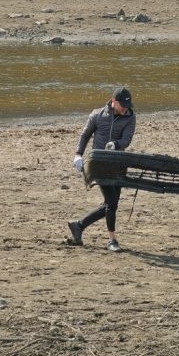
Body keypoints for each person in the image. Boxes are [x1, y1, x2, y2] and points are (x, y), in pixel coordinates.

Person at [66, 87, 136, 252]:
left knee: (111, 204)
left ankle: (78, 226)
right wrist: (78, 155)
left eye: (127, 105)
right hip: (99, 165)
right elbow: (85, 135)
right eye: (122, 105)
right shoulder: (97, 115)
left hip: (118, 164)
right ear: (113, 101)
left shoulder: (130, 117)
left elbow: (126, 139)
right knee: (111, 203)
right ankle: (112, 240)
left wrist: (116, 144)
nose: (125, 109)